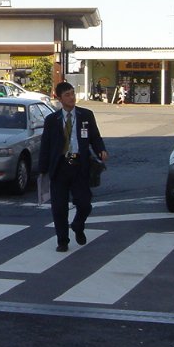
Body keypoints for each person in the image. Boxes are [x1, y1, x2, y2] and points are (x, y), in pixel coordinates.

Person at [37, 81, 109, 252]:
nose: (72, 97)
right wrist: (42, 169)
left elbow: (95, 137)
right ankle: (62, 240)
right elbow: (46, 145)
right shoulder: (52, 120)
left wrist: (101, 150)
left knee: (85, 203)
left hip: (79, 164)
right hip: (60, 166)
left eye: (72, 93)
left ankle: (78, 224)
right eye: (67, 95)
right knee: (59, 207)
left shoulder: (86, 115)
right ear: (59, 98)